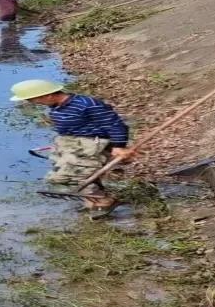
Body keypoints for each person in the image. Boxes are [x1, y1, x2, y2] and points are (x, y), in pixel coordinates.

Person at [10, 79, 134, 213]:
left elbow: (114, 124)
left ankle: (104, 201)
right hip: (72, 144)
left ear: (48, 95)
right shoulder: (56, 107)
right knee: (71, 171)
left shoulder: (87, 105)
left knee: (72, 176)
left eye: (32, 99)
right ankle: (92, 200)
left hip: (91, 144)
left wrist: (118, 146)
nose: (33, 103)